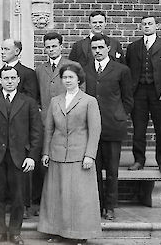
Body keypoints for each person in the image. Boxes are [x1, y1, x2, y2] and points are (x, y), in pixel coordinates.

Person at [38, 63, 102, 243]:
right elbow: (49, 130)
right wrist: (46, 153)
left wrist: (90, 155)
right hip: (57, 155)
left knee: (79, 198)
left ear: (79, 80)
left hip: (79, 156)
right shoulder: (55, 101)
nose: (67, 80)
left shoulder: (89, 101)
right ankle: (57, 232)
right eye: (64, 77)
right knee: (56, 196)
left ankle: (80, 235)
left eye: (71, 77)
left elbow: (95, 130)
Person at [0, 67, 42, 245]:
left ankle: (15, 232)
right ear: (0, 80)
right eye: (6, 78)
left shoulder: (28, 102)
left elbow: (37, 133)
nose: (9, 81)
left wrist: (32, 157)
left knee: (18, 196)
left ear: (18, 80)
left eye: (13, 77)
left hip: (20, 157)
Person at [0, 38, 39, 217]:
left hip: (19, 132)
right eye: (1, 48)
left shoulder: (28, 73)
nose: (2, 52)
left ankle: (22, 207)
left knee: (20, 180)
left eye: (6, 49)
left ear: (17, 51)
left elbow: (32, 99)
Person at [84, 34, 133, 220]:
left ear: (108, 48)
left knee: (112, 170)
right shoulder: (86, 70)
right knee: (93, 170)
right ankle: (97, 205)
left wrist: (120, 114)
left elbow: (128, 99)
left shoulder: (121, 70)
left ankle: (110, 206)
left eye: (100, 47)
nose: (97, 51)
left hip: (112, 126)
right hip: (90, 129)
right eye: (94, 48)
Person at [33, 32, 77, 216]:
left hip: (67, 126)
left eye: (54, 46)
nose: (51, 49)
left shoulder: (72, 67)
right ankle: (43, 203)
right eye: (48, 46)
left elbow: (80, 97)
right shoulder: (39, 69)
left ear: (61, 46)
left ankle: (65, 205)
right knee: (44, 162)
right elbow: (35, 96)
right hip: (45, 124)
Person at [126, 15, 161, 174]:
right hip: (138, 93)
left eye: (150, 24)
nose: (146, 26)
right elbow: (128, 72)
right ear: (140, 27)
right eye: (144, 24)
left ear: (157, 26)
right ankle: (139, 160)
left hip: (160, 93)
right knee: (138, 129)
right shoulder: (133, 47)